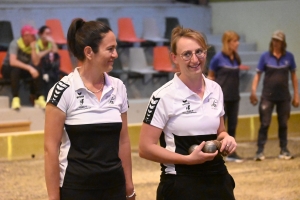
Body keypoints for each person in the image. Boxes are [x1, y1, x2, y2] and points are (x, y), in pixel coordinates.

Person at [139, 26, 236, 200]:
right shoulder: (163, 96)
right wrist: (188, 160)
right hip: (181, 182)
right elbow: (145, 148)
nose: (194, 59)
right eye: (187, 54)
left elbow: (220, 131)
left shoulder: (216, 89)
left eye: (199, 51)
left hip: (218, 180)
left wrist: (226, 139)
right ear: (174, 58)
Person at [44, 18, 135, 200]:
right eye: (110, 49)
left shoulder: (119, 87)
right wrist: (54, 197)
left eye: (115, 48)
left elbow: (123, 140)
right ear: (89, 52)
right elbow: (50, 148)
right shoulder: (63, 90)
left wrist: (129, 187)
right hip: (77, 189)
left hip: (114, 187)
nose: (115, 54)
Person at [250, 30, 299, 161]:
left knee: (283, 124)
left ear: (283, 43)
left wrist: (296, 95)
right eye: (274, 40)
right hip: (268, 96)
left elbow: (294, 77)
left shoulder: (289, 57)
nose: (275, 43)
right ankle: (259, 151)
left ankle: (284, 149)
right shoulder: (265, 57)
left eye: (278, 41)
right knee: (265, 123)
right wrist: (253, 91)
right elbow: (258, 76)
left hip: (284, 96)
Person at [208, 31, 243, 163]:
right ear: (227, 42)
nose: (237, 43)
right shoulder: (218, 58)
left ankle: (231, 152)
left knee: (233, 125)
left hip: (234, 97)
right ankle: (218, 151)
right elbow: (211, 76)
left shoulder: (236, 57)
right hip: (221, 98)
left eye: (237, 41)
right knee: (221, 128)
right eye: (234, 41)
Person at [1, 24, 46, 110]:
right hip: (8, 68)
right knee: (16, 70)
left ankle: (39, 98)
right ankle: (15, 98)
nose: (34, 37)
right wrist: (30, 68)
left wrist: (33, 49)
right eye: (32, 35)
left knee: (38, 69)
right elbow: (13, 62)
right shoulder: (15, 43)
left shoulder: (34, 44)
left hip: (23, 68)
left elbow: (36, 63)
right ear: (25, 36)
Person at [31, 25, 60, 97]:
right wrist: (49, 50)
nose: (49, 36)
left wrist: (52, 42)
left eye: (50, 33)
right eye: (47, 34)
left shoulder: (50, 43)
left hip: (49, 67)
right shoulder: (37, 44)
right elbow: (38, 56)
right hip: (39, 67)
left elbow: (56, 50)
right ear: (41, 35)